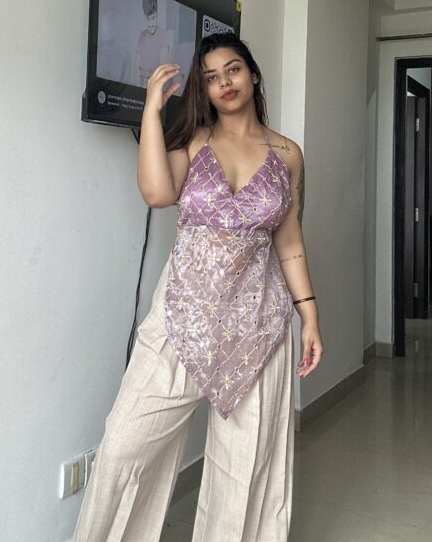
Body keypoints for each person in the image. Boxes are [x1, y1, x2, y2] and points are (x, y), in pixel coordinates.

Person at [72, 32, 324, 542]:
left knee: (245, 470)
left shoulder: (288, 154)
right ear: (203, 90)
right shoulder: (194, 141)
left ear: (253, 74)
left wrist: (310, 316)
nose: (224, 83)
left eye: (232, 70)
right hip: (181, 315)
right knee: (124, 445)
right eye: (210, 77)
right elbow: (157, 192)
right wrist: (151, 109)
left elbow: (289, 240)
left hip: (257, 325)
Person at [133, 0, 171, 87]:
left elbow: (162, 70)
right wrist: (137, 86)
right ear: (143, 17)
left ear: (157, 14)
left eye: (153, 18)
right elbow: (136, 67)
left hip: (155, 84)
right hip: (141, 84)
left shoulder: (163, 35)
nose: (151, 24)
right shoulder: (141, 36)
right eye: (147, 19)